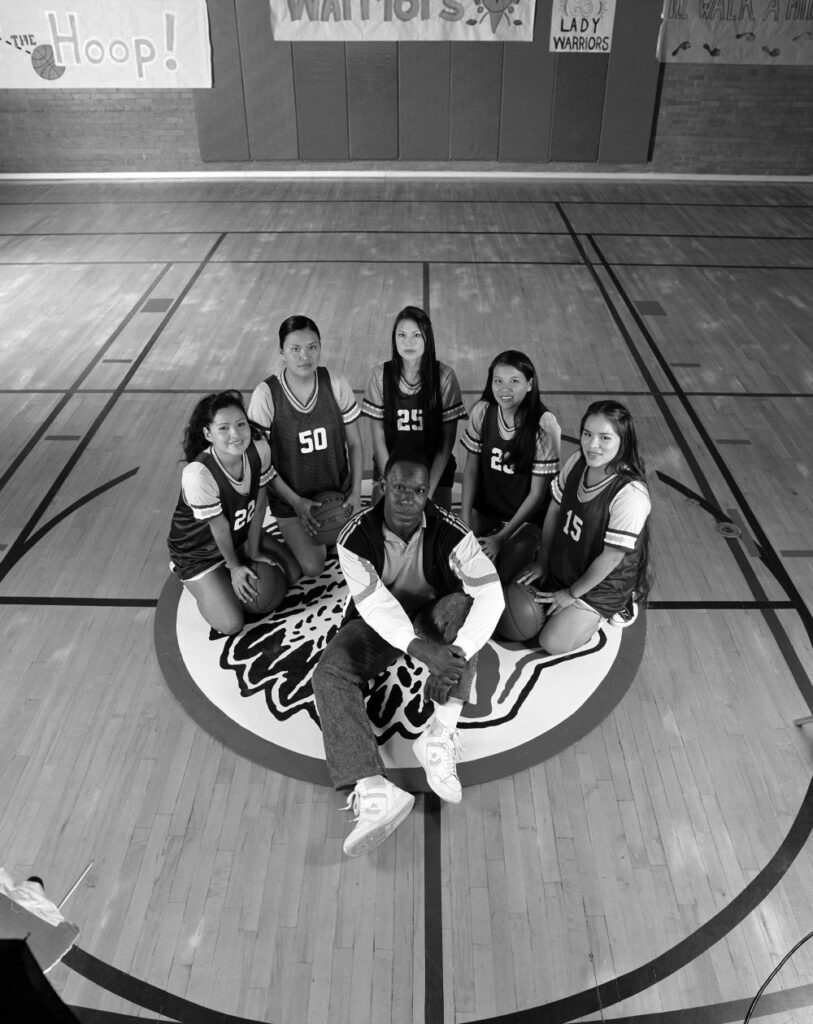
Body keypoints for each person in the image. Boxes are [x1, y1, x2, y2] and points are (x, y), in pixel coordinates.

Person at [311, 454, 504, 857]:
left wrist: (455, 655)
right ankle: (373, 788)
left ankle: (439, 735)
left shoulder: (453, 533)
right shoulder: (354, 535)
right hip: (384, 621)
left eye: (418, 491)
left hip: (434, 613)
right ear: (381, 487)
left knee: (465, 611)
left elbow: (492, 594)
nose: (408, 499)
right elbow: (376, 605)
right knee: (328, 674)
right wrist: (424, 653)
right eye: (399, 488)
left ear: (427, 493)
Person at [517, 399, 652, 654]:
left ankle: (621, 601)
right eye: (587, 434)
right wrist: (542, 561)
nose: (592, 445)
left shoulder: (630, 494)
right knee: (514, 609)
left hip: (603, 583)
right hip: (566, 562)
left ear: (624, 441)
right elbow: (554, 510)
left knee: (552, 642)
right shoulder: (579, 461)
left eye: (604, 438)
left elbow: (612, 558)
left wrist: (570, 594)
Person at [167, 390, 299, 635]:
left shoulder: (258, 447)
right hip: (198, 553)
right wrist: (235, 568)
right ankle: (195, 580)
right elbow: (218, 527)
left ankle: (230, 575)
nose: (236, 434)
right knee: (231, 624)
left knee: (292, 573)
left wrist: (254, 548)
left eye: (240, 424)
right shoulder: (198, 474)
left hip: (237, 536)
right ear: (208, 434)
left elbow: (260, 503)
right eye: (224, 428)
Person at [248, 315, 364, 577]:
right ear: (281, 352)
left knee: (365, 553)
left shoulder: (335, 383)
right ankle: (267, 540)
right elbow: (262, 467)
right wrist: (296, 502)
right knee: (313, 567)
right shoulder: (265, 396)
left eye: (313, 347)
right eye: (295, 349)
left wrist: (355, 492)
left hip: (338, 496)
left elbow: (356, 444)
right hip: (292, 501)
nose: (305, 356)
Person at [460, 350, 561, 584]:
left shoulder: (544, 425)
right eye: (498, 381)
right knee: (457, 560)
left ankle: (539, 550)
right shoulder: (483, 411)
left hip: (525, 518)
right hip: (486, 510)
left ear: (529, 384)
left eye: (514, 381)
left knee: (501, 578)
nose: (504, 388)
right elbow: (472, 470)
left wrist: (502, 538)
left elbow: (537, 495)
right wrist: (464, 522)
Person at [362, 306, 467, 510]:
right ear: (394, 339)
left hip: (432, 470)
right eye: (402, 335)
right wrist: (392, 484)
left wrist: (427, 489)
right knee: (378, 530)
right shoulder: (379, 375)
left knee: (436, 533)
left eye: (416, 335)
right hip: (391, 466)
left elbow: (445, 445)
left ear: (427, 338)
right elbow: (378, 440)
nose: (408, 342)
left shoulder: (444, 377)